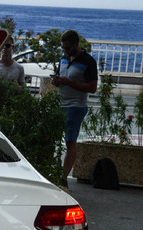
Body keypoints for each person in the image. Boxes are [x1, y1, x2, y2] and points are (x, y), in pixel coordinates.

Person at [52, 29, 98, 187]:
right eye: (63, 48)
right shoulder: (63, 58)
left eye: (68, 48)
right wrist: (57, 82)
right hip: (60, 103)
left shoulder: (88, 61)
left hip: (76, 106)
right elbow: (62, 79)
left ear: (76, 45)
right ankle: (52, 173)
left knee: (70, 142)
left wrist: (69, 83)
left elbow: (92, 88)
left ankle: (63, 178)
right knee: (50, 137)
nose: (65, 51)